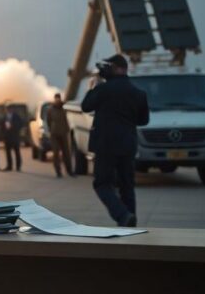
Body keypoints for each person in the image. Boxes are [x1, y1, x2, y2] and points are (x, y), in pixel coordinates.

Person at [82, 54, 149, 227]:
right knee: (127, 186)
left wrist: (92, 87)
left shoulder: (103, 89)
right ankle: (130, 222)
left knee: (102, 184)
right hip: (128, 145)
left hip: (105, 146)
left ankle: (122, 215)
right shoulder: (139, 93)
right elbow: (143, 121)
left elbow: (86, 106)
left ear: (117, 68)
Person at [46, 93, 75, 178]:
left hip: (64, 133)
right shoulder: (50, 110)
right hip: (54, 134)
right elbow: (48, 121)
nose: (57, 100)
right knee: (56, 153)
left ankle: (69, 171)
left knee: (67, 153)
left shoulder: (63, 108)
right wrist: (51, 130)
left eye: (58, 98)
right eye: (56, 98)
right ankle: (58, 171)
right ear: (54, 99)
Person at [1, 101, 24, 171]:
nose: (8, 110)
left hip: (15, 137)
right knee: (8, 152)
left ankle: (18, 166)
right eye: (7, 108)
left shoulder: (16, 116)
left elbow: (21, 124)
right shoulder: (4, 117)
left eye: (10, 108)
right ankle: (9, 166)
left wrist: (13, 126)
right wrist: (3, 133)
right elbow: (1, 126)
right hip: (7, 137)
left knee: (17, 152)